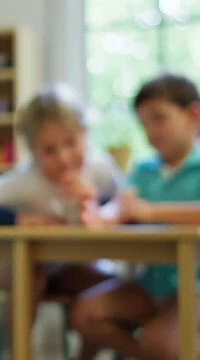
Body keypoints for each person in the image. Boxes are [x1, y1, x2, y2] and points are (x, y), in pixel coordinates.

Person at [0, 84, 152, 358]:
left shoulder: (100, 170)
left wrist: (94, 203)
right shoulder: (26, 179)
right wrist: (18, 219)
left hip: (70, 268)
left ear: (85, 135)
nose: (64, 158)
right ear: (33, 151)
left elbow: (129, 206)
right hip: (23, 270)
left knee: (111, 289)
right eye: (50, 151)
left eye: (71, 144)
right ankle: (19, 353)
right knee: (30, 273)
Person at [73, 74, 200, 359]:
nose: (150, 131)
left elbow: (142, 209)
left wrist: (153, 211)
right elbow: (121, 206)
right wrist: (96, 213)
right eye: (143, 124)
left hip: (194, 288)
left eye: (159, 118)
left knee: (162, 343)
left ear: (194, 115)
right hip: (150, 284)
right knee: (84, 314)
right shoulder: (143, 171)